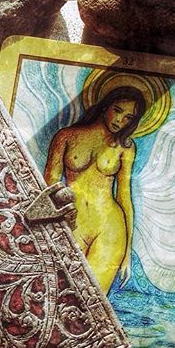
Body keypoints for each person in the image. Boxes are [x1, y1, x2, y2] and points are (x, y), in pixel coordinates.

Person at [44, 85, 146, 294]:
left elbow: (124, 197)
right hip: (73, 223)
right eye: (117, 110)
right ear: (105, 106)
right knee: (61, 293)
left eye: (128, 117)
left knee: (93, 299)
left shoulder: (125, 148)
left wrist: (127, 252)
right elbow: (49, 186)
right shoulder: (66, 136)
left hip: (110, 228)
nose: (120, 120)